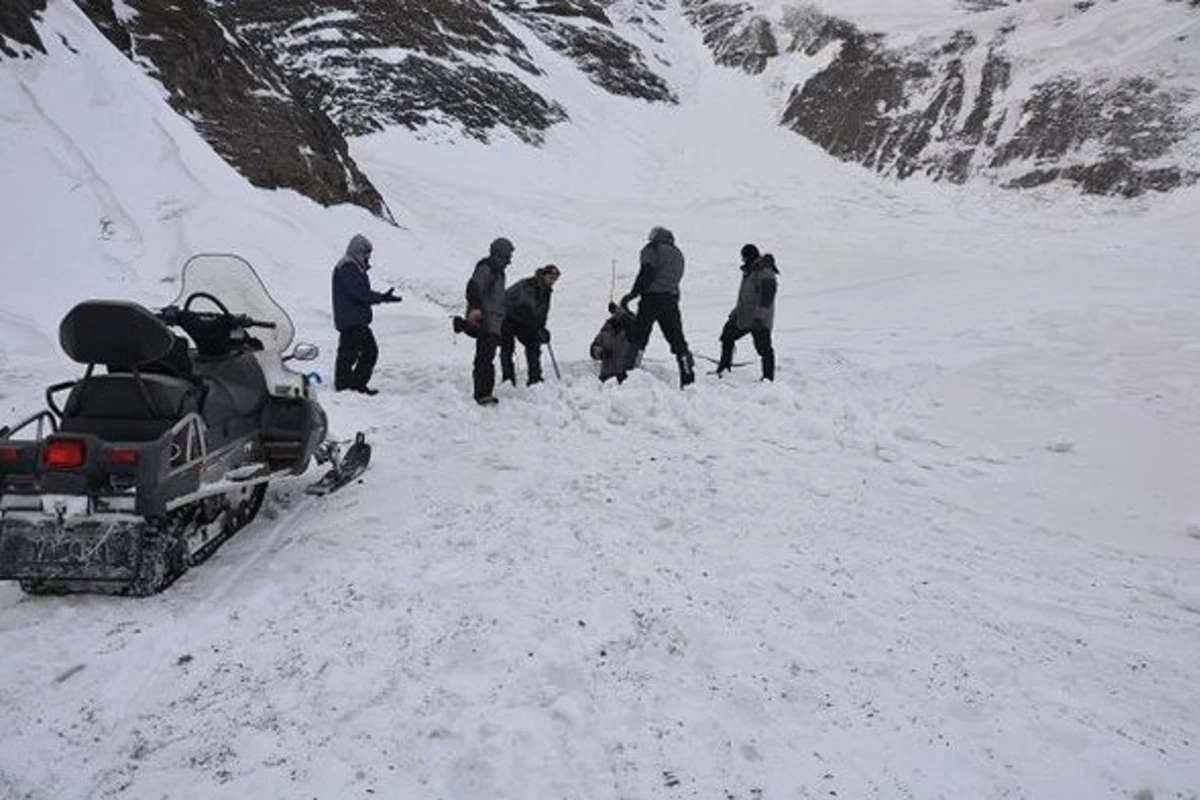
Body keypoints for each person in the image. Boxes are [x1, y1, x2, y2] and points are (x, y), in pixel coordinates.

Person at [619, 226, 695, 388]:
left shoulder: (652, 249)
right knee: (677, 339)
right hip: (671, 299)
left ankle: (628, 375)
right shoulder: (678, 254)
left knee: (639, 337)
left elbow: (647, 273)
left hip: (651, 299)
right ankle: (687, 375)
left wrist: (633, 294)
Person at [331, 233, 401, 394]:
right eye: (366, 253)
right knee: (350, 355)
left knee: (368, 352)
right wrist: (381, 298)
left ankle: (355, 385)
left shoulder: (353, 266)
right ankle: (344, 388)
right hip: (351, 320)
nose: (368, 257)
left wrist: (381, 298)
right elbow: (359, 293)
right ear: (358, 251)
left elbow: (360, 292)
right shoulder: (348, 266)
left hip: (357, 319)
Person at [463, 237, 513, 405]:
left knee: (487, 357)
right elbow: (473, 286)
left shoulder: (497, 270)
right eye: (508, 255)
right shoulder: (489, 266)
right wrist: (476, 308)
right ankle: (483, 394)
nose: (510, 260)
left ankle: (484, 392)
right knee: (484, 358)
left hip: (494, 322)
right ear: (502, 253)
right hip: (485, 320)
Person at [716, 244, 778, 381]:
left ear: (749, 256)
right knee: (727, 336)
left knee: (764, 348)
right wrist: (735, 313)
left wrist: (760, 316)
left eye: (743, 257)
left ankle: (768, 378)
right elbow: (746, 297)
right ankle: (724, 369)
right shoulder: (751, 270)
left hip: (759, 319)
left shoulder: (764, 270)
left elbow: (768, 295)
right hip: (744, 316)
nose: (742, 260)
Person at [501, 264, 560, 387]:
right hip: (507, 316)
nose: (552, 281)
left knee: (534, 344)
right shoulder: (529, 285)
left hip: (524, 320)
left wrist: (542, 329)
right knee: (507, 348)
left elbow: (542, 313)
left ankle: (535, 378)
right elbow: (525, 308)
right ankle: (508, 380)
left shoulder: (546, 291)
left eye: (554, 279)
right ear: (543, 275)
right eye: (550, 277)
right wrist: (537, 329)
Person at [590, 301, 636, 383]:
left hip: (626, 379)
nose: (618, 315)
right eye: (616, 313)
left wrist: (622, 313)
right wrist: (601, 353)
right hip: (606, 378)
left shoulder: (631, 331)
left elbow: (634, 326)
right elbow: (593, 350)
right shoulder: (606, 330)